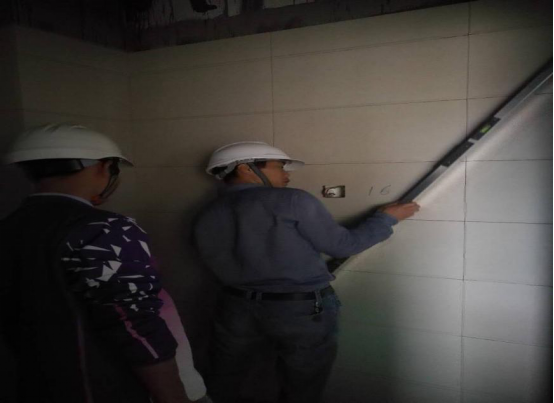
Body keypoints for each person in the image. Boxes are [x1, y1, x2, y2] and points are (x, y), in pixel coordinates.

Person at [194, 142, 421, 403]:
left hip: (235, 307)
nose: (286, 174)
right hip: (299, 308)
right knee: (302, 383)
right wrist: (386, 218)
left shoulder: (206, 212)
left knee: (226, 377)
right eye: (279, 167)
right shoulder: (292, 200)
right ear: (245, 169)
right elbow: (343, 246)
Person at [0, 124, 211, 403]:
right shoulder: (105, 229)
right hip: (103, 386)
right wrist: (173, 396)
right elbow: (135, 325)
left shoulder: (9, 227)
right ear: (104, 166)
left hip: (37, 383)